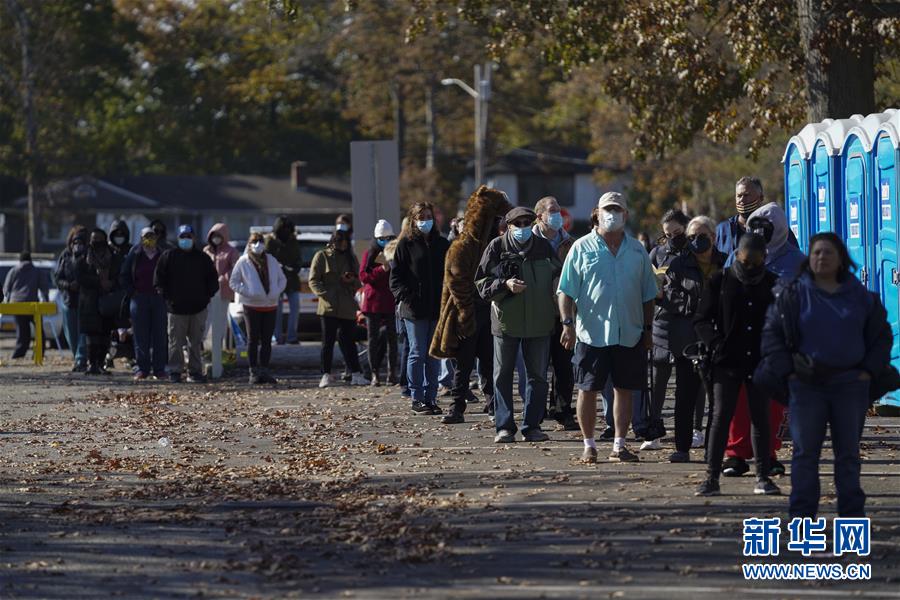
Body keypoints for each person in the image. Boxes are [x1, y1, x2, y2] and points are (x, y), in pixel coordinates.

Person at [754, 233, 891, 516]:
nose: (821, 257)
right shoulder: (792, 294)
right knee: (805, 455)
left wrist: (867, 372)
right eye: (816, 252)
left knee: (848, 455)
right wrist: (788, 373)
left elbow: (881, 337)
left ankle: (852, 517)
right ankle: (802, 518)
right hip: (806, 387)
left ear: (841, 258)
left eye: (828, 252)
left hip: (850, 386)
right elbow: (772, 336)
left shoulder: (861, 297)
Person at [558, 193, 657, 463]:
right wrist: (567, 324)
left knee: (624, 389)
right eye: (607, 209)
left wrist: (648, 330)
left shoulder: (637, 250)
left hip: (630, 332)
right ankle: (589, 444)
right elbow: (565, 291)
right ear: (597, 213)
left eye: (617, 209)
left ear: (625, 215)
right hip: (591, 333)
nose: (612, 214)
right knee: (587, 389)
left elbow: (648, 293)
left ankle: (620, 444)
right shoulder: (581, 247)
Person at [693, 233, 781, 496]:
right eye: (746, 258)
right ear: (737, 255)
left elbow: (783, 321)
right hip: (726, 361)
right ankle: (711, 477)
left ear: (765, 257)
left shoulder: (772, 283)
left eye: (757, 258)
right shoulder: (720, 281)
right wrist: (716, 343)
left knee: (760, 418)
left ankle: (763, 476)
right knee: (720, 417)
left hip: (760, 360)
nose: (751, 264)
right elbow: (701, 320)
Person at [722, 201, 805, 477]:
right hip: (741, 341)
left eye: (766, 228)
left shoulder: (796, 262)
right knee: (738, 402)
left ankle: (767, 454)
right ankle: (735, 454)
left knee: (772, 404)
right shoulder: (739, 255)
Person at [475, 205, 561, 443]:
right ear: (508, 226)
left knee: (538, 377)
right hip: (505, 322)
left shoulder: (544, 248)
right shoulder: (496, 247)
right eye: (517, 224)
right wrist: (504, 285)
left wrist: (557, 295)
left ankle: (532, 426)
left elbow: (560, 277)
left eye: (526, 224)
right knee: (502, 375)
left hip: (540, 322)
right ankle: (504, 427)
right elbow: (481, 283)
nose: (523, 228)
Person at [431, 186, 511, 425]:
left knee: (488, 362)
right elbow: (457, 282)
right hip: (469, 312)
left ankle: (492, 403)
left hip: (490, 309)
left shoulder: (494, 244)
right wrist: (466, 312)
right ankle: (457, 406)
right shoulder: (462, 246)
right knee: (463, 365)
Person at [655, 216, 726, 462]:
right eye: (692, 236)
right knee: (685, 396)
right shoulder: (678, 266)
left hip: (717, 340)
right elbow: (672, 300)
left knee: (719, 399)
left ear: (714, 237)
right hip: (687, 340)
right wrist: (706, 304)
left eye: (702, 236)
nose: (696, 241)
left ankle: (716, 448)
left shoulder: (726, 264)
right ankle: (682, 447)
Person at [390, 202, 451, 413]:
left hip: (437, 308)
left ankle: (431, 397)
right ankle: (416, 397)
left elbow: (450, 274)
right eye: (421, 217)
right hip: (413, 309)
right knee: (417, 353)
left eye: (428, 216)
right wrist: (408, 297)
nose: (426, 220)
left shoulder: (442, 244)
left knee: (433, 355)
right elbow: (395, 278)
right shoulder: (405, 244)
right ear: (414, 220)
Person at [532, 196, 577, 431]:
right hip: (537, 313)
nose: (557, 214)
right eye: (552, 211)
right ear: (539, 216)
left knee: (563, 365)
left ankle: (563, 410)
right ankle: (536, 414)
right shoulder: (529, 242)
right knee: (538, 367)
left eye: (558, 210)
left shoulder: (570, 243)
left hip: (563, 313)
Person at [154, 225, 219, 383]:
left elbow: (213, 280)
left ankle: (195, 371)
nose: (186, 240)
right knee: (175, 343)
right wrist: (167, 297)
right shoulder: (168, 256)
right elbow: (158, 280)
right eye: (183, 236)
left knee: (196, 343)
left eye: (189, 236)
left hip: (198, 308)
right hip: (176, 309)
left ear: (194, 238)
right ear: (177, 238)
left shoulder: (202, 258)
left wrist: (206, 297)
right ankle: (175, 371)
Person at [310, 229, 368, 387]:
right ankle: (325, 374)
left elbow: (359, 282)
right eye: (340, 241)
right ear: (334, 241)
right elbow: (313, 280)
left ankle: (356, 373)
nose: (343, 245)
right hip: (328, 306)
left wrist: (351, 280)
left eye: (345, 242)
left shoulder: (351, 257)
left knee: (349, 341)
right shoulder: (322, 256)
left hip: (347, 306)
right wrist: (325, 295)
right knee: (327, 342)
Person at [230, 232, 287, 384]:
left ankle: (264, 370)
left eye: (260, 241)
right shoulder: (243, 261)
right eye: (254, 241)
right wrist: (249, 293)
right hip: (252, 305)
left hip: (270, 305)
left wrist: (276, 292)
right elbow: (233, 282)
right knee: (252, 340)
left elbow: (282, 279)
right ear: (249, 244)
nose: (258, 244)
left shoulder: (272, 260)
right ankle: (253, 371)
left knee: (267, 340)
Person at [121, 227, 169, 380]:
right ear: (141, 238)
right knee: (140, 335)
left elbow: (170, 275)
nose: (149, 239)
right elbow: (124, 275)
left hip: (158, 299)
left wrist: (165, 292)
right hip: (139, 298)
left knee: (160, 335)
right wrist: (132, 292)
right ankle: (142, 368)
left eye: (152, 236)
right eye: (146, 236)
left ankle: (159, 369)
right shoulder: (135, 254)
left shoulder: (162, 254)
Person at [75, 230, 120, 374]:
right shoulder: (83, 257)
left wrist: (111, 283)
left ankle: (101, 364)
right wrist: (99, 282)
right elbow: (80, 276)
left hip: (107, 301)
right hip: (89, 301)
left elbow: (119, 274)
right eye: (94, 238)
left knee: (105, 334)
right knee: (91, 335)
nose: (97, 241)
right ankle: (91, 364)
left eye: (100, 239)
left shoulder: (113, 256)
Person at [360, 219, 398, 386]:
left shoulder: (396, 252)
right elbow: (364, 276)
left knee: (392, 339)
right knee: (373, 339)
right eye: (382, 239)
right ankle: (374, 373)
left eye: (388, 238)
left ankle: (391, 373)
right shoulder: (369, 254)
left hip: (390, 301)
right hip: (373, 302)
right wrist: (381, 270)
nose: (385, 241)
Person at [204, 223, 240, 379]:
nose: (216, 239)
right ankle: (205, 355)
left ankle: (219, 358)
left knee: (219, 326)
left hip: (222, 292)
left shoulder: (231, 251)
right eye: (213, 235)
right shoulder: (206, 251)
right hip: (206, 294)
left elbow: (235, 269)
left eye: (219, 235)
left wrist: (222, 279)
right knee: (205, 326)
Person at [3, 251, 49, 359]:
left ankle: (19, 353)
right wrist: (46, 301)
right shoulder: (37, 271)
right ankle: (39, 353)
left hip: (17, 304)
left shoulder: (14, 270)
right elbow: (44, 288)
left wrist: (7, 300)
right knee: (39, 330)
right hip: (33, 305)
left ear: (20, 260)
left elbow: (6, 288)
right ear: (30, 260)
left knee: (22, 331)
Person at [55, 226, 89, 371]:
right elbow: (58, 278)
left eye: (81, 240)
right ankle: (77, 358)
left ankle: (81, 360)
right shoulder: (65, 255)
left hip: (85, 300)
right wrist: (69, 285)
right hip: (69, 300)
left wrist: (82, 284)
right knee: (71, 335)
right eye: (76, 240)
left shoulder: (89, 255)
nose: (78, 244)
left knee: (83, 333)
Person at [265, 216, 300, 345]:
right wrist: (278, 267)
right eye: (283, 229)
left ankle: (292, 336)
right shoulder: (271, 241)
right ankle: (277, 337)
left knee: (295, 308)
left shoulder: (293, 241)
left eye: (288, 229)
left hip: (292, 280)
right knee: (277, 310)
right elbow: (267, 259)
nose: (286, 232)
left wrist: (295, 267)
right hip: (276, 281)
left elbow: (298, 258)